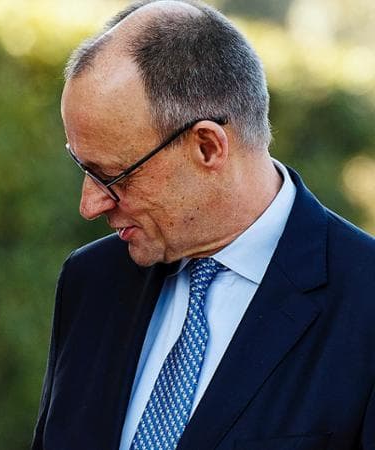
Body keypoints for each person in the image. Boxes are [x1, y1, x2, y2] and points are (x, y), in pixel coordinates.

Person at [32, 1, 375, 449]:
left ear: (208, 147)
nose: (90, 204)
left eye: (113, 176)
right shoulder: (91, 280)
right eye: (82, 166)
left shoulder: (364, 303)